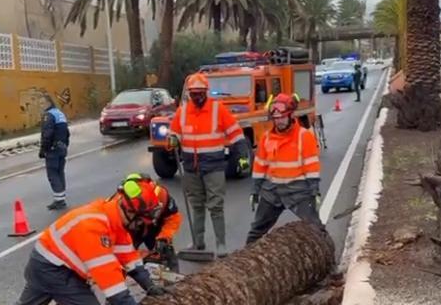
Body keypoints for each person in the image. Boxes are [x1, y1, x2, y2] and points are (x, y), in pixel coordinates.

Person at [0, 175, 168, 305]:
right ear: (130, 211)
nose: (141, 226)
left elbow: (128, 256)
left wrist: (149, 285)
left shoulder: (113, 219)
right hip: (52, 268)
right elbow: (109, 278)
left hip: (47, 263)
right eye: (141, 221)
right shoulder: (93, 227)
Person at [169, 73, 250, 258]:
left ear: (206, 92)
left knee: (215, 206)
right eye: (193, 93)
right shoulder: (182, 112)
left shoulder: (217, 110)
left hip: (213, 166)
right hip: (191, 167)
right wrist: (172, 139)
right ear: (189, 94)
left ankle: (221, 244)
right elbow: (174, 132)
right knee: (196, 205)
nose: (197, 96)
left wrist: (242, 157)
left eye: (200, 93)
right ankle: (198, 243)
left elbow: (236, 135)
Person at [246, 93, 323, 244]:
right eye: (275, 118)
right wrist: (255, 190)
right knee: (256, 231)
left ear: (290, 116)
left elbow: (312, 167)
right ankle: (243, 262)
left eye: (282, 117)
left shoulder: (304, 137)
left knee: (316, 229)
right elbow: (259, 166)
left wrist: (314, 191)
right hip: (272, 191)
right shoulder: (266, 138)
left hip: (298, 190)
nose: (279, 121)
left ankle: (327, 256)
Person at [126, 174, 182, 271]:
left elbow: (173, 218)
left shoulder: (161, 195)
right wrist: (142, 255)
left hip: (154, 227)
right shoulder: (122, 208)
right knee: (125, 259)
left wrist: (164, 236)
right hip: (131, 230)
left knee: (165, 250)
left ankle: (173, 277)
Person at [41, 99, 70, 210]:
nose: (41, 105)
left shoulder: (49, 116)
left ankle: (59, 201)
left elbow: (47, 134)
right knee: (60, 172)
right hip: (62, 148)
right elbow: (67, 133)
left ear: (48, 103)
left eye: (42, 102)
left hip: (53, 149)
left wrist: (44, 149)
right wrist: (65, 145)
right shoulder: (60, 114)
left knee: (53, 174)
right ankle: (61, 198)